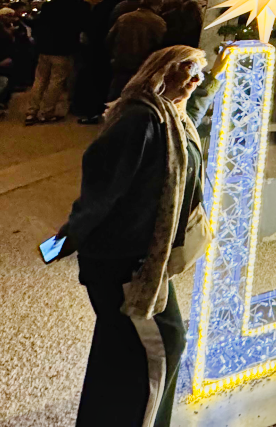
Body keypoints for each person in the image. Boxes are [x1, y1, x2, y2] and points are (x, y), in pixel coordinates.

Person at [54, 46, 207, 427]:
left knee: (119, 346)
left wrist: (215, 77)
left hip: (137, 257)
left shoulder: (171, 116)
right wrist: (65, 239)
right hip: (127, 262)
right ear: (162, 71)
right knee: (162, 346)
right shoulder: (140, 120)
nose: (194, 79)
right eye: (187, 69)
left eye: (199, 73)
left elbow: (195, 110)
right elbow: (101, 189)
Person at [25, 0, 91, 126]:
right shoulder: (80, 6)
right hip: (64, 49)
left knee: (40, 80)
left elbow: (39, 24)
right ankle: (46, 112)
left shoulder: (50, 5)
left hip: (45, 48)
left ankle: (31, 111)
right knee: (56, 81)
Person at [108, 0, 168, 100]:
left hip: (120, 62)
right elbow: (160, 45)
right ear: (156, 6)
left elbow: (109, 39)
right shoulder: (158, 22)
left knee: (115, 95)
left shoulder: (124, 17)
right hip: (142, 65)